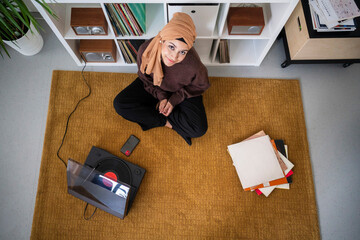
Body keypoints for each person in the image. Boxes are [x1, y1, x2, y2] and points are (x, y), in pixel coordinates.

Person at [113, 12, 210, 145]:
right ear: (162, 40)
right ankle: (166, 122)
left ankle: (159, 111)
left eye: (182, 52)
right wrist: (162, 97)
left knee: (199, 129)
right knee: (120, 104)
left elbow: (200, 86)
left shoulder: (193, 64)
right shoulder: (145, 50)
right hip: (155, 86)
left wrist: (173, 100)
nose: (174, 57)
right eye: (171, 47)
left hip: (182, 91)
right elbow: (144, 78)